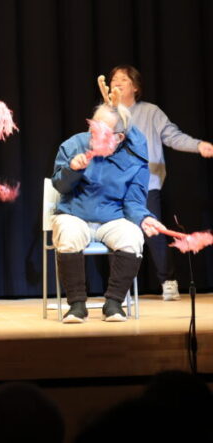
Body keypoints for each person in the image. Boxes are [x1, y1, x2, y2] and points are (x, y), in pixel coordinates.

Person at [51, 98, 161, 323]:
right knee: (68, 233)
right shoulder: (74, 145)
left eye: (102, 132)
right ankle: (77, 306)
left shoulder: (135, 159)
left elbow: (134, 202)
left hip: (112, 218)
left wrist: (143, 218)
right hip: (75, 214)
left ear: (119, 137)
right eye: (93, 128)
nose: (94, 135)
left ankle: (114, 303)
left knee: (132, 237)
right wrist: (73, 170)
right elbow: (60, 186)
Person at [109, 65, 213, 300]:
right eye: (114, 79)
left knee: (153, 232)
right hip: (115, 185)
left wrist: (198, 145)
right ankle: (120, 288)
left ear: (135, 87)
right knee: (116, 234)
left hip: (146, 184)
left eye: (123, 79)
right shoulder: (107, 114)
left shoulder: (150, 112)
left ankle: (168, 281)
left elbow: (172, 136)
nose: (117, 82)